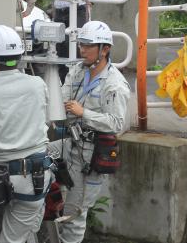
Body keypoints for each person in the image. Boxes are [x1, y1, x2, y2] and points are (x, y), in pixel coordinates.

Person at [48, 21, 131, 243]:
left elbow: (116, 124)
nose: (82, 49)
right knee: (41, 155)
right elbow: (63, 97)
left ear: (105, 49)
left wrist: (83, 113)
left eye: (88, 45)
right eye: (81, 44)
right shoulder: (78, 70)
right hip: (71, 144)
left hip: (90, 155)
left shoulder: (115, 84)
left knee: (75, 214)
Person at [0, 25, 51, 243]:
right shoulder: (38, 84)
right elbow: (45, 117)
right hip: (35, 178)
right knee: (22, 231)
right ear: (19, 56)